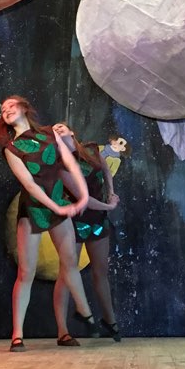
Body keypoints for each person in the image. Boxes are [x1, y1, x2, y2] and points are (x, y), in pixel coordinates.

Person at [0, 96, 97, 352]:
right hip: (34, 209)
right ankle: (17, 335)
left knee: (69, 264)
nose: (6, 110)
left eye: (11, 105)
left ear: (24, 107)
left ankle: (68, 328)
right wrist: (56, 207)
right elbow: (29, 184)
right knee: (26, 273)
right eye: (3, 109)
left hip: (58, 202)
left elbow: (70, 164)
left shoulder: (49, 134)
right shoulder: (12, 148)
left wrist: (83, 196)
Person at [52, 124, 123, 342]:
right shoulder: (61, 165)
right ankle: (62, 331)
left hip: (98, 220)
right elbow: (84, 199)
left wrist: (111, 192)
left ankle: (110, 321)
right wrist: (109, 207)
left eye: (61, 126)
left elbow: (106, 170)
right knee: (66, 273)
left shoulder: (92, 149)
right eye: (53, 130)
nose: (57, 129)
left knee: (101, 272)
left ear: (72, 132)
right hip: (74, 222)